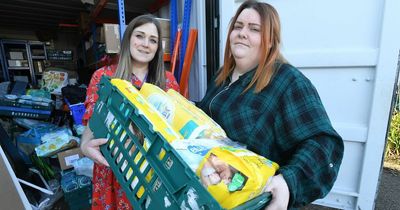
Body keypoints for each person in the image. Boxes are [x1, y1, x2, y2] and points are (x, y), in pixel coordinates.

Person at [196, 1, 344, 209]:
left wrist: (287, 182)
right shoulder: (222, 77)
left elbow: (324, 145)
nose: (242, 33)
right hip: (209, 189)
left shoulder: (287, 81)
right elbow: (205, 117)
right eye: (238, 26)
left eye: (254, 29)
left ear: (270, 41)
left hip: (247, 200)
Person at [80, 14, 179, 209]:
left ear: (158, 48)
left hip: (150, 173)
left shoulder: (168, 82)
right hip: (112, 167)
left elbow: (175, 131)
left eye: (153, 40)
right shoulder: (103, 77)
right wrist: (84, 146)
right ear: (128, 40)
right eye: (140, 36)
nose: (145, 44)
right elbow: (93, 123)